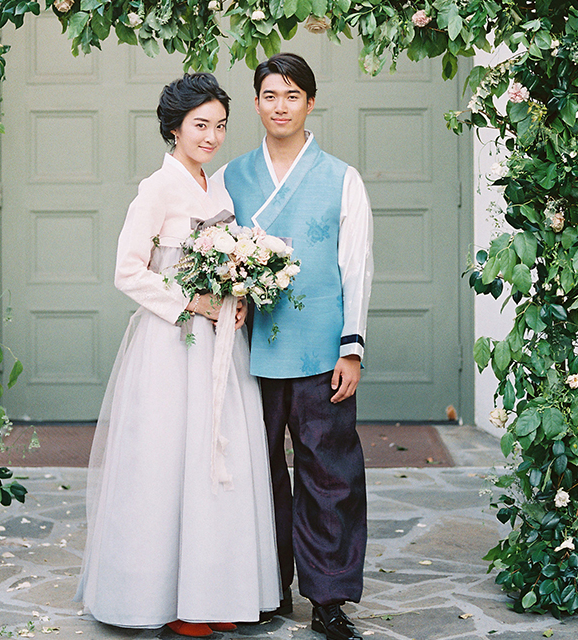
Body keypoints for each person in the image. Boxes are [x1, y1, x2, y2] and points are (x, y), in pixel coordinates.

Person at [75, 73, 281, 638]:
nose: (212, 136)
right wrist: (191, 302)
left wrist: (236, 300)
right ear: (174, 128)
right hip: (170, 346)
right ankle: (162, 598)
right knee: (165, 464)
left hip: (218, 348)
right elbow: (127, 271)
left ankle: (211, 593)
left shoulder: (218, 189)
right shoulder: (156, 190)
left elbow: (229, 263)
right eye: (200, 126)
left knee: (218, 464)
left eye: (219, 126)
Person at [218, 53, 373, 640]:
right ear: (256, 104)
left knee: (329, 475)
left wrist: (351, 348)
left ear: (310, 102)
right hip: (249, 354)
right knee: (255, 475)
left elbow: (354, 267)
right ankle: (263, 585)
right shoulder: (232, 178)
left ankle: (329, 598)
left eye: (292, 95)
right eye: (268, 95)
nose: (280, 106)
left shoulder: (341, 178)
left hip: (320, 352)